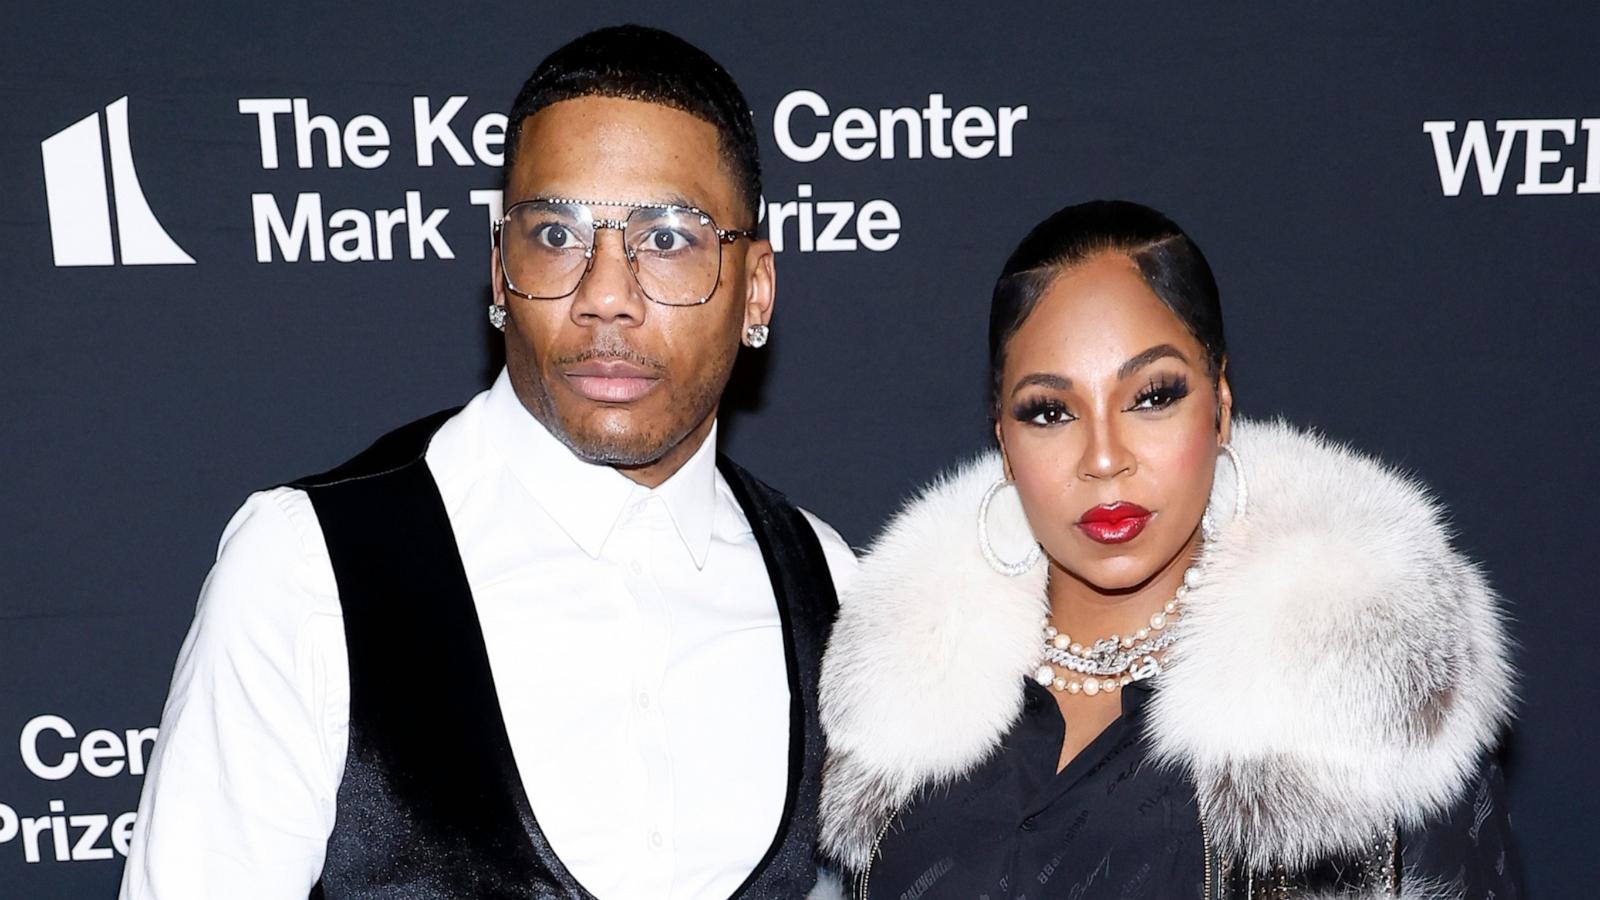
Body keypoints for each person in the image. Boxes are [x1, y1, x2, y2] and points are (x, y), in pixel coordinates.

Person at [120, 25, 854, 900]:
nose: (606, 296)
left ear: (756, 288)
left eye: (667, 238)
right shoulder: (309, 567)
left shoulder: (827, 581)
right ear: (499, 271)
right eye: (555, 234)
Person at [817, 200, 1519, 898]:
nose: (1103, 458)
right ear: (1003, 438)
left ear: (1220, 405)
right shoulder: (902, 732)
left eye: (1152, 396)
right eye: (1050, 412)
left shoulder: (1358, 714)